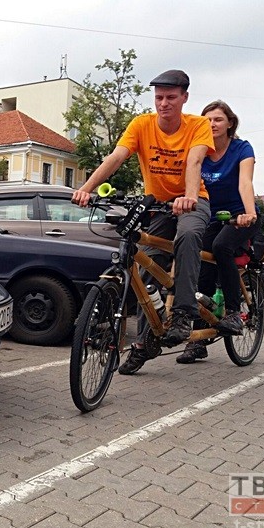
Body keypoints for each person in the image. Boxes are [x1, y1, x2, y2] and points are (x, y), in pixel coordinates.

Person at [71, 69, 214, 375]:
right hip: (159, 205)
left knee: (187, 237)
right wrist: (86, 187)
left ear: (184, 98)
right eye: (159, 97)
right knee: (143, 267)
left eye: (171, 98)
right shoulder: (142, 124)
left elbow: (194, 161)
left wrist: (188, 196)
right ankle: (147, 339)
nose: (164, 104)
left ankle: (184, 313)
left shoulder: (198, 125)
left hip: (192, 200)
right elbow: (116, 156)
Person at [176, 100, 260, 364]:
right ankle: (198, 341)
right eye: (207, 120)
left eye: (218, 119)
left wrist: (248, 214)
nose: (212, 124)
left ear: (230, 123)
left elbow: (245, 182)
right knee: (200, 262)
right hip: (211, 216)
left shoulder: (241, 148)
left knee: (223, 247)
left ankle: (234, 311)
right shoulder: (199, 149)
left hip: (241, 215)